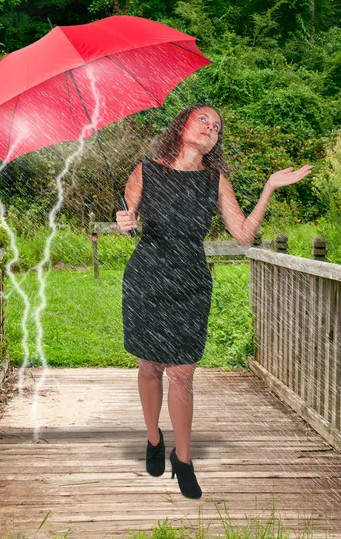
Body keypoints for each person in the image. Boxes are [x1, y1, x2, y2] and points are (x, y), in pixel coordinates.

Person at [116, 103, 312, 499]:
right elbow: (128, 219)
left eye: (217, 126)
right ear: (182, 126)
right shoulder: (145, 171)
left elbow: (243, 234)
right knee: (150, 365)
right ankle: (153, 438)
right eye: (202, 119)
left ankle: (182, 459)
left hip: (190, 280)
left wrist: (269, 188)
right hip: (148, 277)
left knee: (183, 373)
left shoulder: (214, 180)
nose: (211, 127)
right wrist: (124, 221)